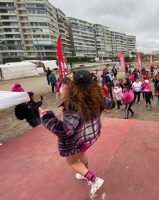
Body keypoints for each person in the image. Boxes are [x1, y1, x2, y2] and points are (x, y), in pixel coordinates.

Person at [41, 70, 112, 198]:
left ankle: (94, 180)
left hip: (77, 140)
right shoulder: (98, 96)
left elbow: (65, 130)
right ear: (92, 83)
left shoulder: (73, 105)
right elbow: (110, 104)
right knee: (82, 153)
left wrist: (47, 117)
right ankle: (83, 173)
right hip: (91, 136)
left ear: (73, 85)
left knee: (72, 162)